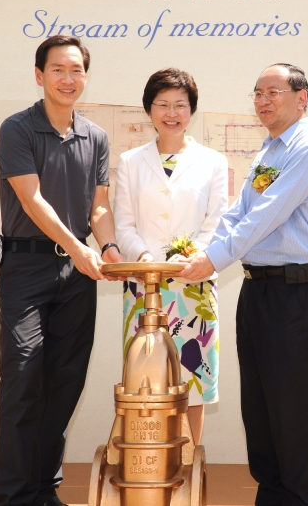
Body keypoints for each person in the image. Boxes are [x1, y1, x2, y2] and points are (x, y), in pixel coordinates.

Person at [179, 63, 308, 506]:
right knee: (262, 402)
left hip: (296, 291)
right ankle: (273, 494)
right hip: (258, 290)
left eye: (274, 92)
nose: (263, 100)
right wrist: (205, 254)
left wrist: (212, 260)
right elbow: (238, 212)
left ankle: (306, 498)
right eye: (257, 93)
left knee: (297, 404)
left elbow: (267, 215)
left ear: (301, 98)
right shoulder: (268, 151)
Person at [0, 35, 123, 506]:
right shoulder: (18, 129)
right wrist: (77, 248)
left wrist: (107, 247)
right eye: (58, 70)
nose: (68, 79)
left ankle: (42, 491)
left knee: (66, 381)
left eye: (76, 70)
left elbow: (99, 208)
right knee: (24, 377)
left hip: (77, 276)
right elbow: (31, 199)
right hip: (26, 268)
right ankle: (11, 496)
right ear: (39, 75)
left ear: (85, 77)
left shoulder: (97, 137)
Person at [114, 68, 228, 443]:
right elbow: (124, 225)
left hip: (194, 285)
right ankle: (148, 462)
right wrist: (144, 257)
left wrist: (193, 256)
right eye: (162, 104)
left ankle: (189, 465)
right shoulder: (130, 162)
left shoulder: (213, 162)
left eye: (180, 104)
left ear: (191, 110)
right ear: (149, 109)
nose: (171, 112)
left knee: (193, 380)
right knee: (146, 379)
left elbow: (217, 224)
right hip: (144, 287)